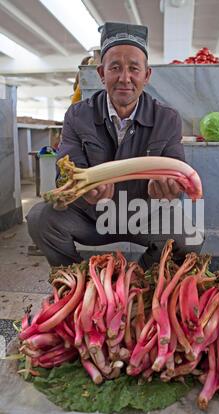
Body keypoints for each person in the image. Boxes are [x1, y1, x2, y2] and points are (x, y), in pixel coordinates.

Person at [26, 22, 191, 269]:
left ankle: (141, 278)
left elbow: (179, 174)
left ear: (146, 76)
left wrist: (170, 189)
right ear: (102, 73)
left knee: (188, 236)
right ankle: (76, 282)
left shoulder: (167, 118)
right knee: (40, 218)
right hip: (91, 218)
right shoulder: (77, 115)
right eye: (115, 68)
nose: (125, 78)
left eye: (134, 68)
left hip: (143, 216)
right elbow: (66, 172)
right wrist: (83, 190)